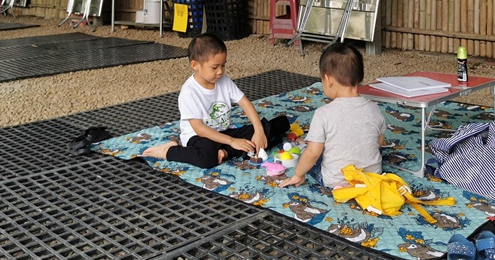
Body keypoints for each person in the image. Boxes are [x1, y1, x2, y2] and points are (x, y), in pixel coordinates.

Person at [142, 32, 289, 168]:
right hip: (199, 137)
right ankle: (170, 150)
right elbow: (200, 129)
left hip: (225, 132)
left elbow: (244, 102)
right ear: (195, 65)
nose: (220, 71)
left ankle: (225, 153)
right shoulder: (189, 92)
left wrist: (259, 130)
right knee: (207, 158)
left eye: (223, 65)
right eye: (214, 67)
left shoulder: (224, 80)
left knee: (279, 124)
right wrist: (232, 141)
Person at [280, 42, 386, 190]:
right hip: (371, 177)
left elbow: (313, 153)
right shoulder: (375, 108)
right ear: (360, 76)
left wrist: (298, 174)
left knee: (307, 151)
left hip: (335, 180)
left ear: (328, 80)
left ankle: (338, 183)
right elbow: (378, 143)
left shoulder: (323, 113)